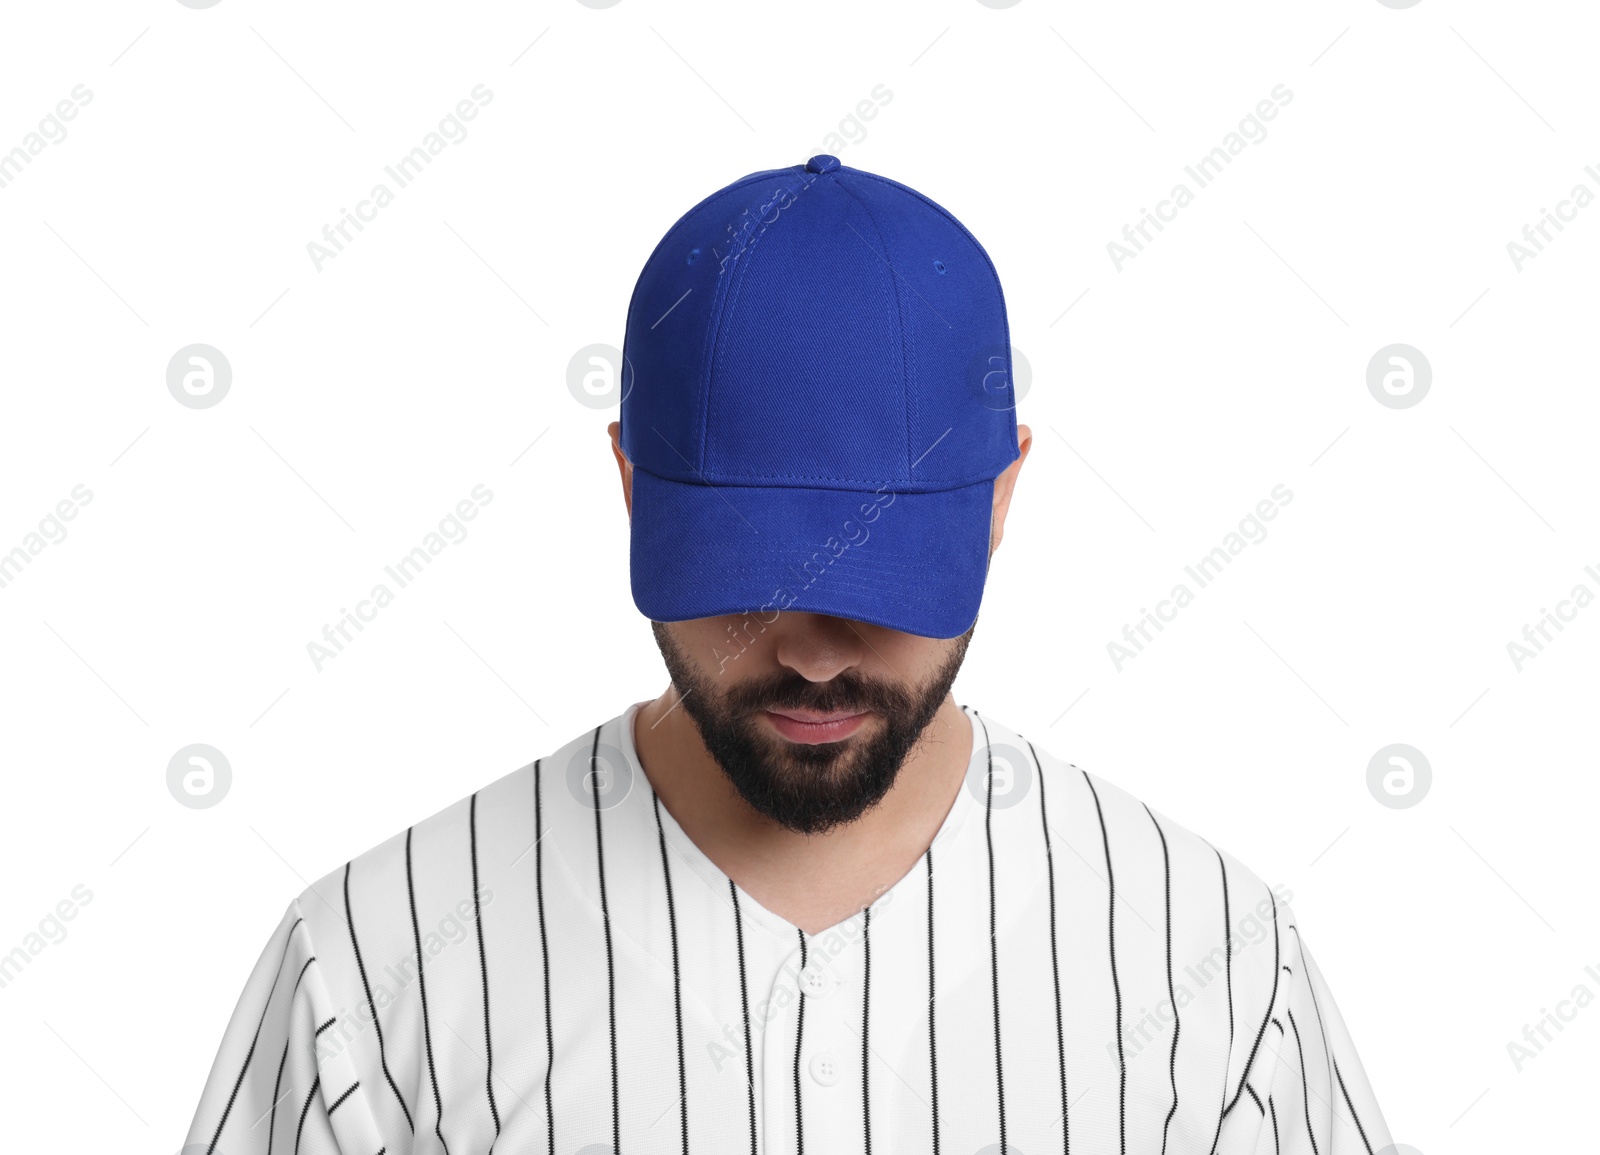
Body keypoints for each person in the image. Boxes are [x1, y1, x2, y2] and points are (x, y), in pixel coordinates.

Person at [184, 154, 1392, 1154]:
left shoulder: (1217, 964)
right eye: (747, 575)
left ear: (1002, 498)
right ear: (627, 484)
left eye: (880, 578)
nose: (812, 656)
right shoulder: (373, 956)